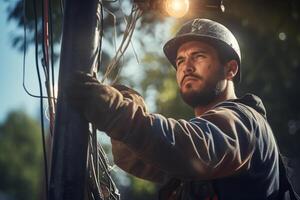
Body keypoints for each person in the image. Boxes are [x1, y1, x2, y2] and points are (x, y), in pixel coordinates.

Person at [66, 18, 292, 199]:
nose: (186, 67)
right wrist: (126, 111)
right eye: (181, 61)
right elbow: (144, 161)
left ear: (230, 69)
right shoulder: (195, 152)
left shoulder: (245, 122)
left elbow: (192, 147)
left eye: (199, 56)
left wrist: (115, 110)